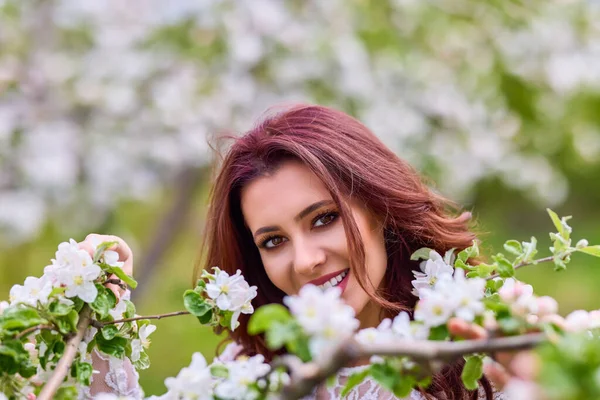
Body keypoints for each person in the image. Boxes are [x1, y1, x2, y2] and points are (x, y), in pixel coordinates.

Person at [81, 105, 523, 399]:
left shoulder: (484, 345)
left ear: (378, 209)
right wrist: (98, 315)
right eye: (274, 241)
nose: (305, 260)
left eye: (323, 219)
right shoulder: (255, 375)